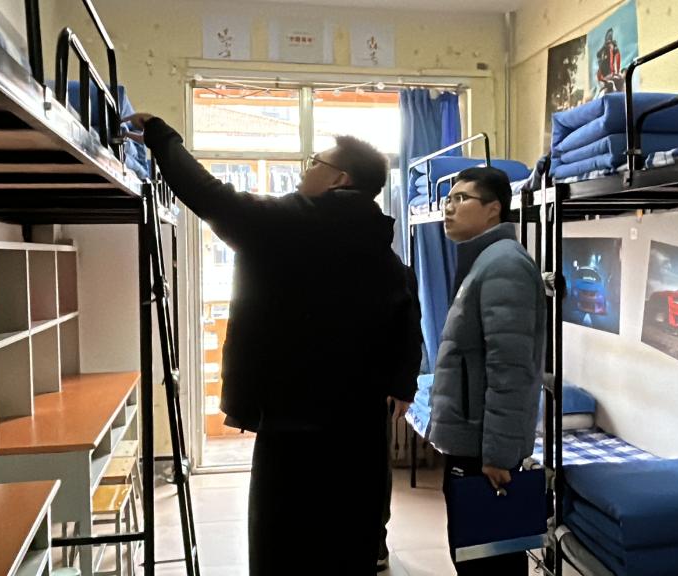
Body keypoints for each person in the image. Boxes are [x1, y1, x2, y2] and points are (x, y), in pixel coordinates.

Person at [126, 113, 421, 575]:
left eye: (315, 162)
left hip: (292, 424)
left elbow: (212, 197)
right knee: (350, 540)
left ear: (339, 179)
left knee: (281, 545)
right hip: (359, 430)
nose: (306, 169)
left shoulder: (289, 224)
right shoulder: (382, 247)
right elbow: (407, 320)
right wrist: (403, 384)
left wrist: (162, 140)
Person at [427, 167, 546, 575]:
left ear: (494, 209)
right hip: (472, 438)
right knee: (473, 556)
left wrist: (497, 454)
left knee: (488, 564)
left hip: (483, 448)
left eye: (461, 199)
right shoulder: (486, 261)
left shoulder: (504, 265)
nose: (449, 208)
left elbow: (509, 368)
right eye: (448, 199)